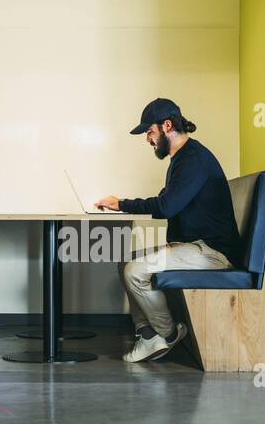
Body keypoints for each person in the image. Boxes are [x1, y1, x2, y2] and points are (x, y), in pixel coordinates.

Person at [96, 98, 242, 363]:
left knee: (135, 270)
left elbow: (166, 206)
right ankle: (148, 334)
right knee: (125, 262)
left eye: (149, 132)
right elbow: (167, 201)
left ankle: (167, 332)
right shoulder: (181, 159)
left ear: (167, 125)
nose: (148, 139)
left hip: (213, 252)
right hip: (193, 246)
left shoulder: (193, 159)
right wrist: (123, 205)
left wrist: (121, 204)